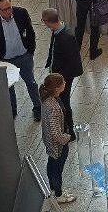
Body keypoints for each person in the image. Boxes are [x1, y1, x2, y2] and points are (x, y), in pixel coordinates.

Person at [0, 0, 41, 121]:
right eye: (4, 9)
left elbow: (30, 32)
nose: (8, 11)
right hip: (5, 60)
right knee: (9, 88)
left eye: (9, 8)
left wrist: (30, 51)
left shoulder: (21, 13)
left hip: (24, 57)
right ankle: (12, 111)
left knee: (31, 82)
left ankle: (38, 108)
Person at [42, 8, 83, 138]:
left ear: (48, 21)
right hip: (58, 73)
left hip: (63, 78)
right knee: (61, 101)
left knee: (64, 102)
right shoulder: (58, 30)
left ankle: (69, 131)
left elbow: (72, 61)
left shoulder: (67, 37)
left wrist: (60, 82)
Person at [39, 73, 76, 204]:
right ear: (57, 88)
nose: (65, 83)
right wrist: (68, 137)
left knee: (52, 164)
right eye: (63, 83)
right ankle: (59, 194)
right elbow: (56, 134)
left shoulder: (47, 98)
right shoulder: (53, 107)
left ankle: (54, 188)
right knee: (57, 169)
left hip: (49, 142)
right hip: (57, 145)